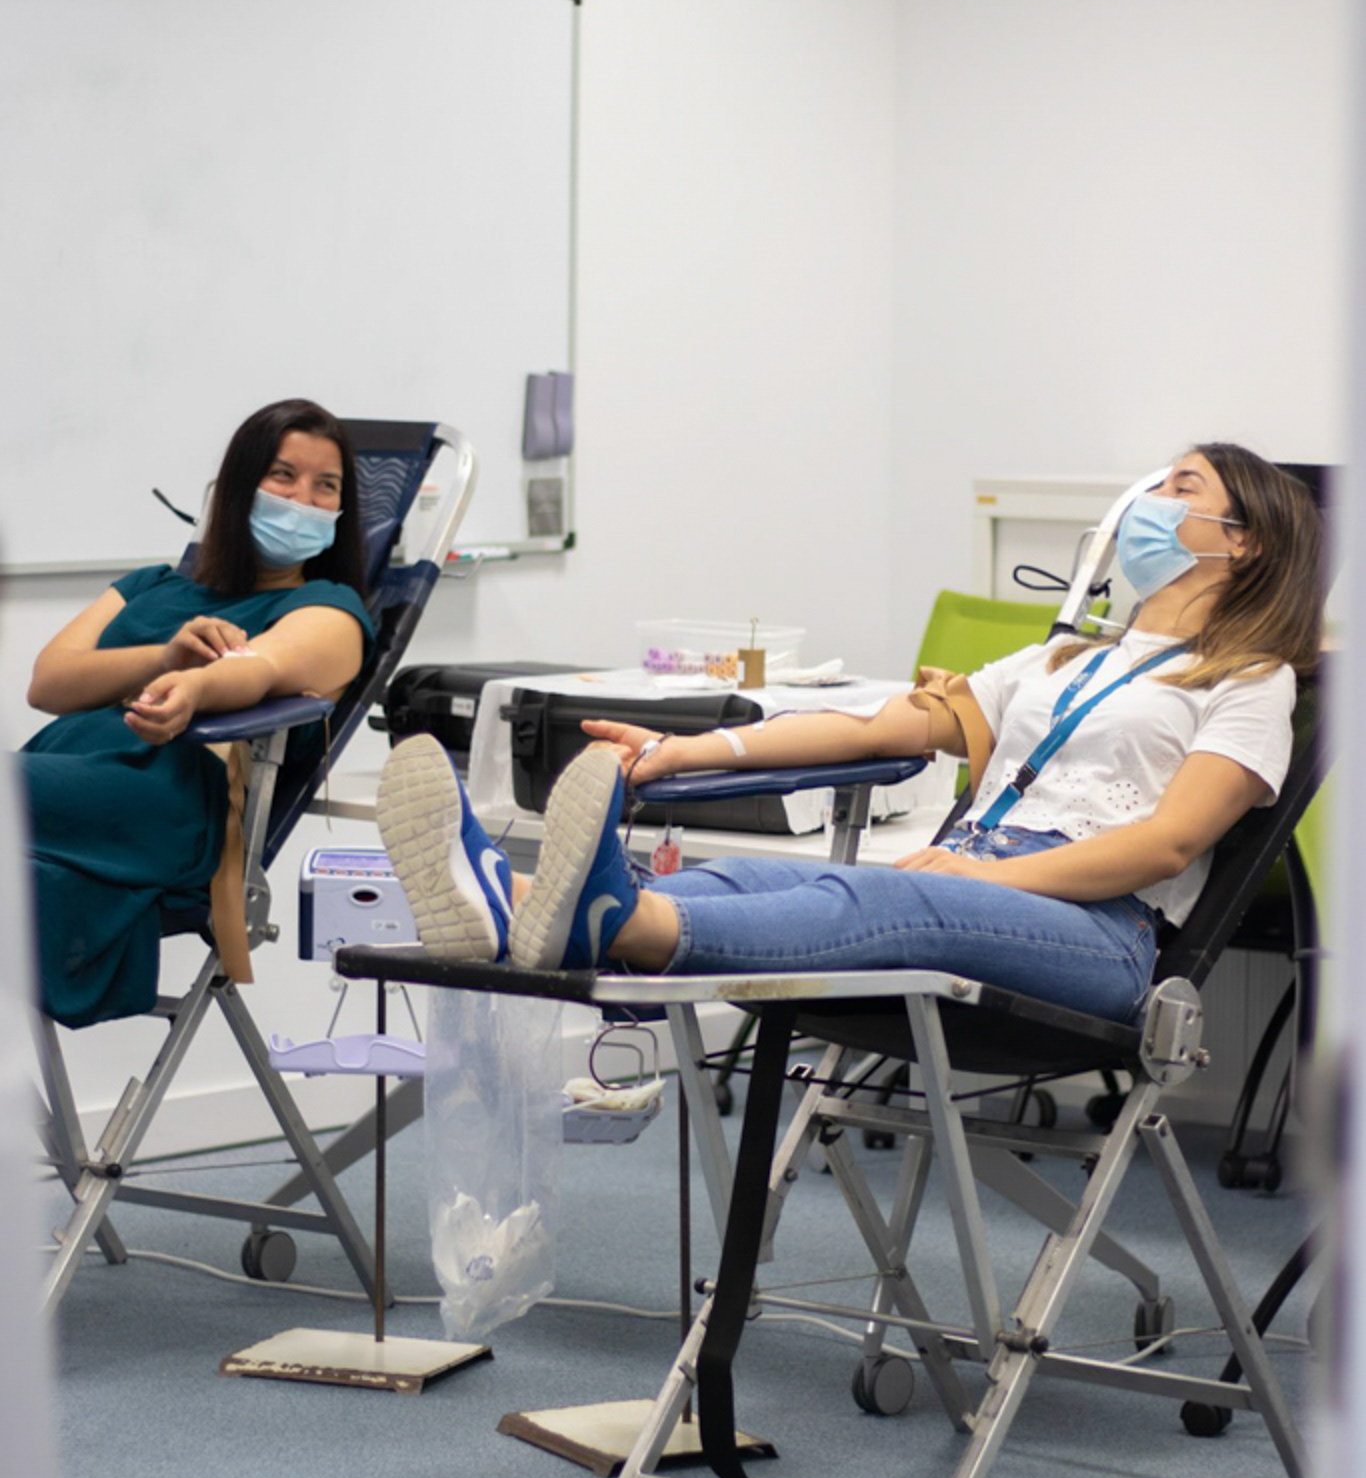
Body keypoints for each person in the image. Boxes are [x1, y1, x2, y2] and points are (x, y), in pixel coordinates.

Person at [376, 444, 1322, 1024]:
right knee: (749, 878)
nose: (1150, 502)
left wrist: (984, 880)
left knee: (887, 898)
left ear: (1243, 539)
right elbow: (870, 727)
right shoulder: (1062, 659)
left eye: (1180, 486)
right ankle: (515, 897)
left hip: (1099, 935)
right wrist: (683, 750)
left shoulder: (1252, 681)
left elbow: (1169, 844)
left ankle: (613, 922)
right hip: (972, 878)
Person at [22, 397, 375, 1027]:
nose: (304, 499)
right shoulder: (153, 585)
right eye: (283, 475)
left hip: (169, 802)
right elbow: (48, 683)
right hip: (68, 776)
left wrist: (194, 688)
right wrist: (164, 657)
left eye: (326, 486)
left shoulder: (331, 610)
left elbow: (260, 666)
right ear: (238, 486)